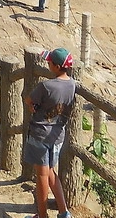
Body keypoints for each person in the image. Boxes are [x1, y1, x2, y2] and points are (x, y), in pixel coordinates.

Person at [23, 48, 77, 218]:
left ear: (55, 66)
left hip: (40, 134)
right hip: (57, 135)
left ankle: (42, 214)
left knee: (41, 175)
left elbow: (29, 100)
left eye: (49, 62)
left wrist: (32, 106)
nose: (47, 63)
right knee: (51, 172)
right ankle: (63, 212)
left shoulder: (45, 86)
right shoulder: (72, 85)